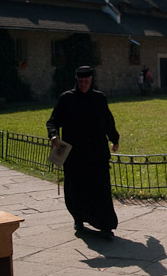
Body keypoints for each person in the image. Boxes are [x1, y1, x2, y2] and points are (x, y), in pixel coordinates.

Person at [46, 65, 120, 238]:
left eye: (86, 81)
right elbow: (53, 121)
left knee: (100, 189)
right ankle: (78, 219)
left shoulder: (99, 98)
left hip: (97, 153)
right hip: (75, 155)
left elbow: (108, 121)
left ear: (91, 80)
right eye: (80, 82)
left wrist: (114, 139)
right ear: (76, 81)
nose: (83, 85)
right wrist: (54, 135)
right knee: (76, 189)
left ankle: (105, 225)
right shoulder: (66, 99)